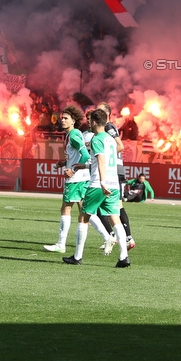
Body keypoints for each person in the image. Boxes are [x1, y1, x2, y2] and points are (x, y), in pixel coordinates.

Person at [63, 108, 131, 267]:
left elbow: (101, 160)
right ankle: (123, 257)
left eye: (90, 121)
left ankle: (77, 256)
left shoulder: (96, 138)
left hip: (99, 185)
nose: (89, 124)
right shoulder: (110, 139)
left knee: (83, 217)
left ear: (94, 122)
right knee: (115, 219)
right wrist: (84, 165)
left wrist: (102, 182)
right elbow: (103, 160)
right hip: (114, 185)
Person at [43, 105, 93, 254]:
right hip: (83, 177)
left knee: (66, 207)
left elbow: (85, 156)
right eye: (62, 118)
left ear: (73, 121)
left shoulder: (74, 134)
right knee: (84, 210)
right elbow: (77, 157)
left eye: (66, 118)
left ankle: (61, 244)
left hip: (76, 178)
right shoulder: (72, 134)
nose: (62, 120)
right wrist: (64, 163)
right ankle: (108, 236)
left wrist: (73, 169)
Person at [98, 102, 136, 250]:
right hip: (111, 170)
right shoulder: (102, 129)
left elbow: (119, 146)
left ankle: (119, 237)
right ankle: (121, 237)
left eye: (100, 111)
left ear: (107, 114)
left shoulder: (108, 127)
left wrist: (106, 159)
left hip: (114, 171)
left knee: (113, 206)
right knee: (111, 206)